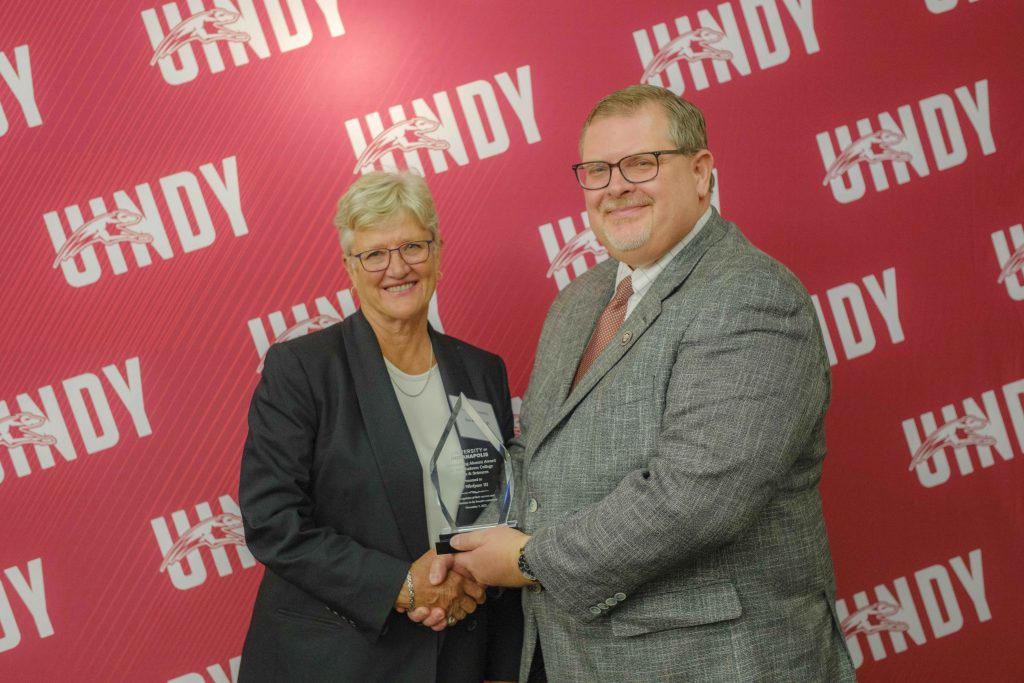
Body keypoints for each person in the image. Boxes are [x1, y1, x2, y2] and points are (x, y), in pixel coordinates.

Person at [424, 84, 857, 681]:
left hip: (715, 663)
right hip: (575, 656)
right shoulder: (579, 302)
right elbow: (538, 454)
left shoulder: (751, 297)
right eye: (597, 170)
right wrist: (466, 551)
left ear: (701, 173)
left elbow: (695, 498)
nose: (616, 186)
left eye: (641, 164)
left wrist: (527, 559)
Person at [237, 171, 522, 682]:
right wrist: (402, 584)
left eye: (413, 245)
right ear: (349, 267)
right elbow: (272, 521)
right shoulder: (302, 369)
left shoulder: (483, 372)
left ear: (437, 251)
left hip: (457, 654)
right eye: (374, 253)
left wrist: (501, 658)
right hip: (336, 661)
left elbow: (498, 516)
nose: (397, 268)